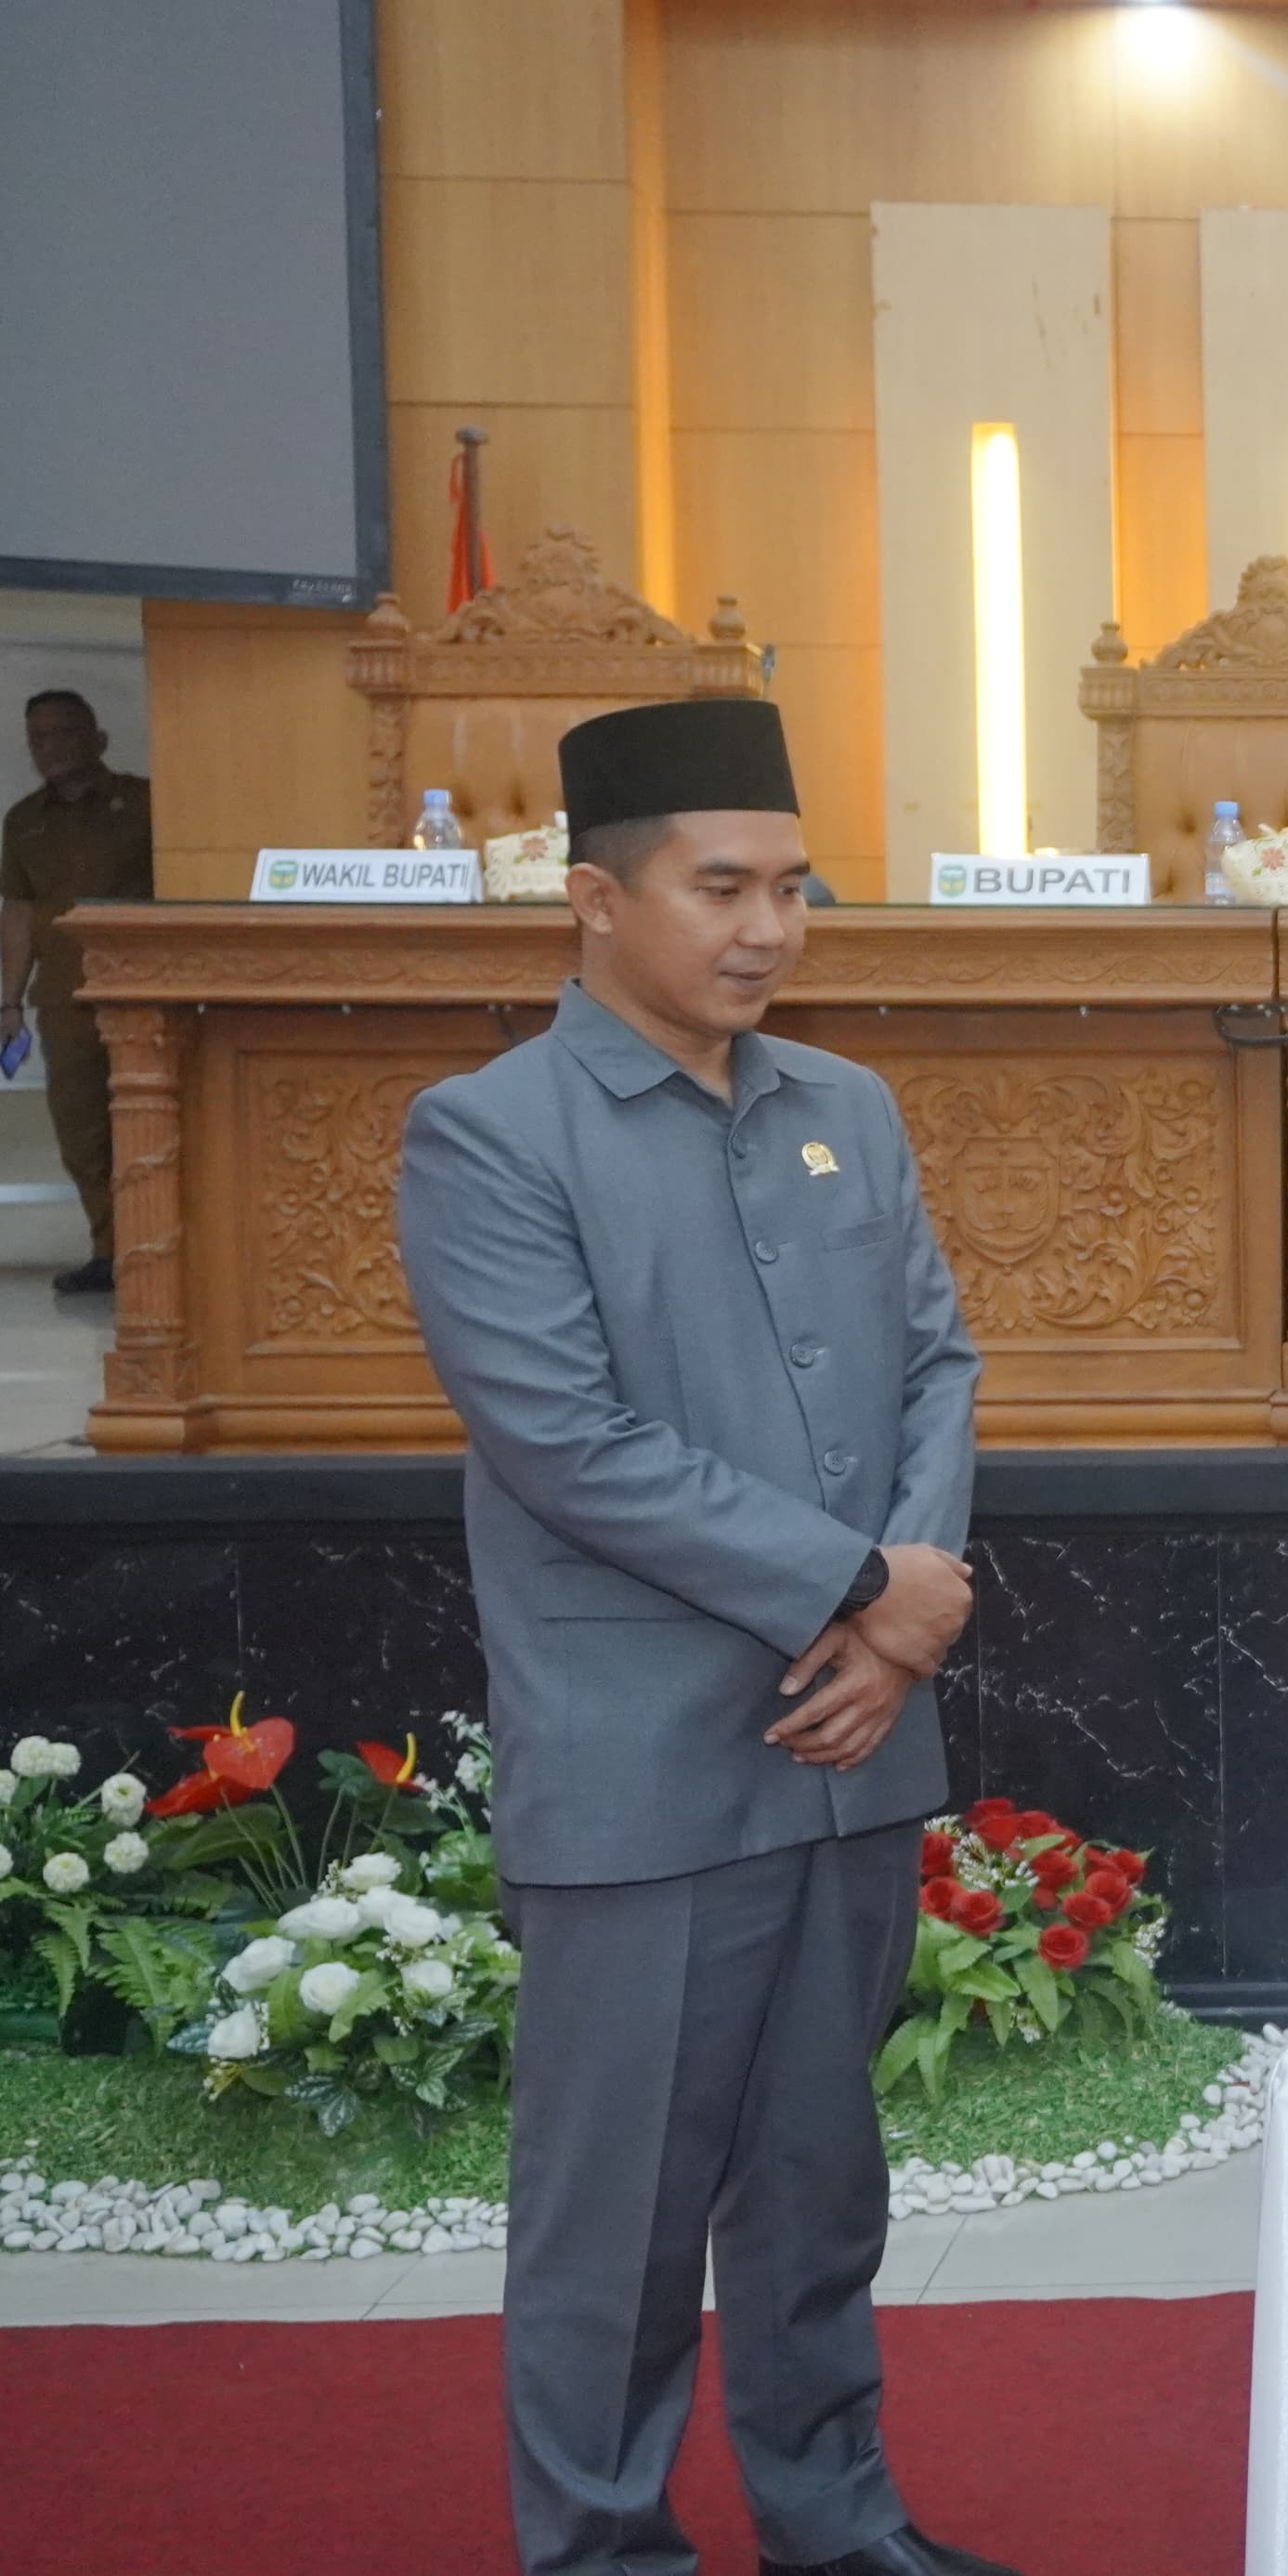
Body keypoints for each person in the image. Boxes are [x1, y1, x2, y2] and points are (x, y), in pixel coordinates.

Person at [397, 699, 1014, 2576]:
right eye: (721, 887)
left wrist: (905, 1610)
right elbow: (566, 1440)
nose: (768, 929)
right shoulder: (490, 1135)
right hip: (646, 1759)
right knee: (624, 2218)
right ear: (595, 899)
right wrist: (864, 1589)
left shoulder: (847, 1110)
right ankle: (600, 2547)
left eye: (793, 888)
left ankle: (834, 2522)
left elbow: (936, 1363)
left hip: (852, 1737)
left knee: (824, 2181)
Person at [2, 688, 156, 1296]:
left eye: (63, 732)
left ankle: (161, 1249)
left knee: (154, 1122)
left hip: (144, 994)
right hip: (66, 998)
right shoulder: (23, 821)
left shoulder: (144, 803)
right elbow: (19, 913)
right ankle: (110, 1252)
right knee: (82, 1131)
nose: (49, 747)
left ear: (97, 739)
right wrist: (9, 1001)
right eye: (37, 737)